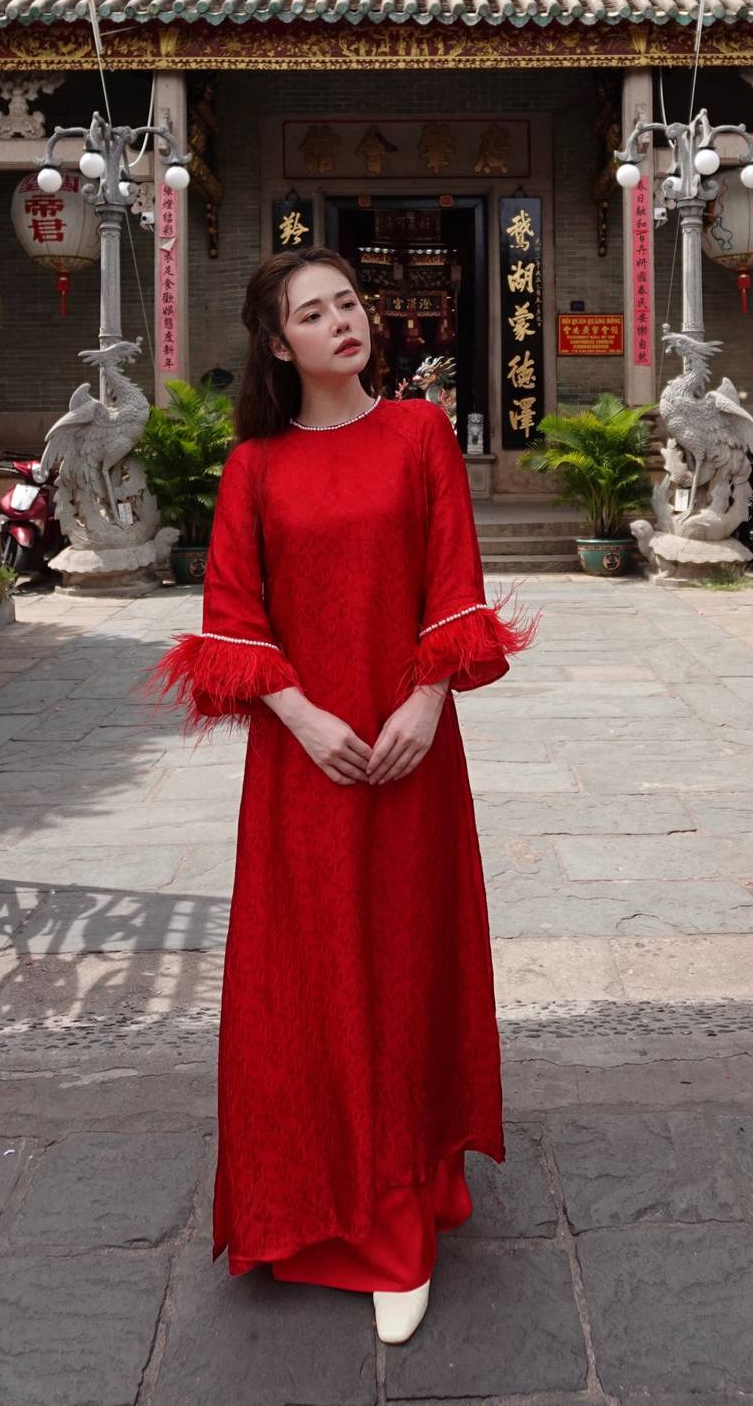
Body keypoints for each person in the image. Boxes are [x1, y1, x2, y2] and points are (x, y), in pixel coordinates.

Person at [143, 247, 539, 1344]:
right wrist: (305, 718)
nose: (342, 322)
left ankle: (400, 1214)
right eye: (312, 313)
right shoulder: (254, 467)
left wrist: (425, 701)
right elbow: (232, 613)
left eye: (349, 302)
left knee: (404, 964)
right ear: (278, 344)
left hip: (411, 753)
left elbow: (451, 582)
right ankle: (311, 1203)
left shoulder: (419, 435)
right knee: (305, 975)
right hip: (304, 764)